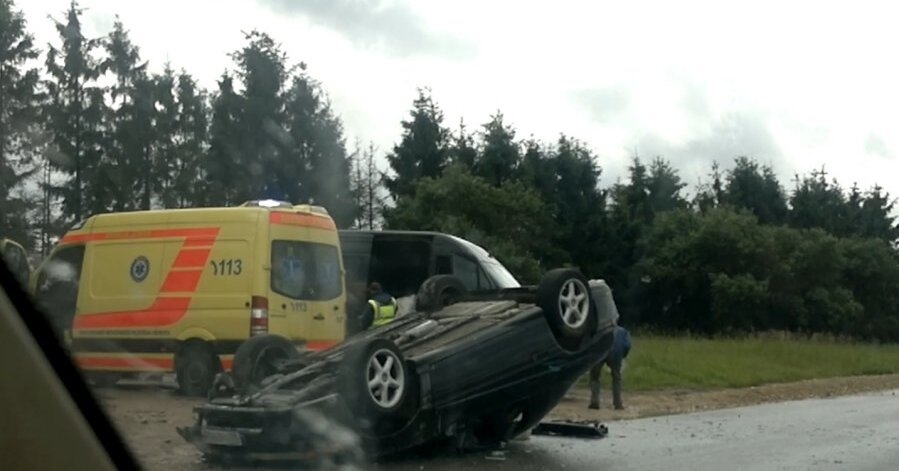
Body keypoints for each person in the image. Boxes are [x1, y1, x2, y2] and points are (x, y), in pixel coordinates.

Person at [589, 325, 632, 410]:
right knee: (616, 378)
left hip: (599, 352)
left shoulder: (598, 329)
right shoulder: (623, 331)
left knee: (594, 377)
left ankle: (595, 402)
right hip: (616, 353)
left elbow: (590, 342)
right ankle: (617, 403)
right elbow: (627, 345)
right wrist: (623, 355)